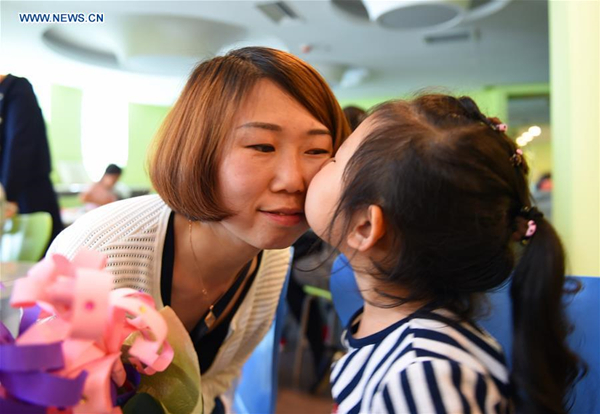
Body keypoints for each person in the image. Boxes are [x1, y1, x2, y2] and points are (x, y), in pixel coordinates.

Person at [48, 47, 349, 413]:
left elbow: (217, 381)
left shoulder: (273, 260)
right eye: (262, 146)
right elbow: (45, 390)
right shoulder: (101, 253)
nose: (293, 180)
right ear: (198, 151)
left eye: (317, 150)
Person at [305, 95, 584, 413]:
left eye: (335, 159)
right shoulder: (389, 332)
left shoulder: (423, 378)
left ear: (365, 226)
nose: (318, 165)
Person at [0, 74, 64, 243]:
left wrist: (9, 197)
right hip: (10, 194)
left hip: (26, 194)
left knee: (44, 256)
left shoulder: (17, 89)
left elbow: (20, 143)